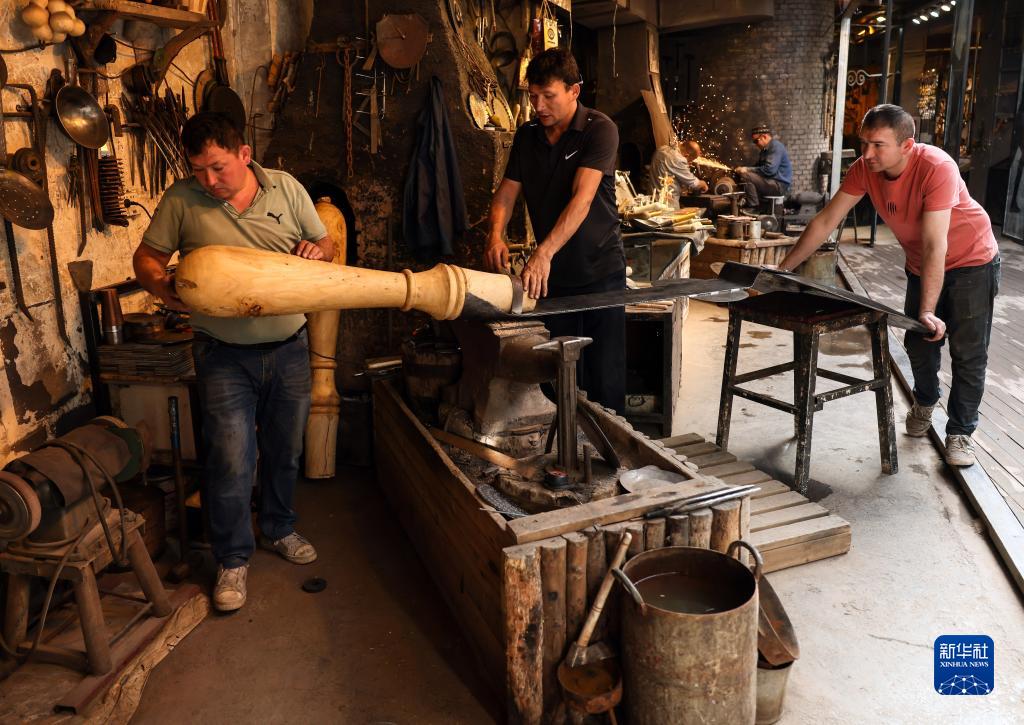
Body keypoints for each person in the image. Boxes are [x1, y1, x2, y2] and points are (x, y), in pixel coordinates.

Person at [133, 112, 337, 611]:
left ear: (245, 154)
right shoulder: (182, 199)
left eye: (218, 167)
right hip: (222, 355)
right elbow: (147, 258)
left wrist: (318, 250)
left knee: (285, 451)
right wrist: (162, 286)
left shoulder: (286, 189)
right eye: (198, 169)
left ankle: (278, 528)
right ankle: (232, 558)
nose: (208, 180)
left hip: (289, 347)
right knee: (230, 458)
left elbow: (327, 245)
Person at [777, 104, 999, 467]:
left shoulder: (936, 167)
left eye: (878, 145)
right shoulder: (865, 169)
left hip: (972, 260)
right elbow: (825, 221)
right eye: (864, 142)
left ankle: (960, 432)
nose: (867, 154)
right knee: (919, 343)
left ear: (907, 145)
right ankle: (925, 401)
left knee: (968, 352)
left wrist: (928, 308)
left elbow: (935, 244)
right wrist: (783, 269)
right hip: (922, 263)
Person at [485, 47, 626, 413]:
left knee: (604, 378)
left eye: (548, 96)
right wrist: (496, 235)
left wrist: (542, 253)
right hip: (552, 280)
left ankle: (611, 447)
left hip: (600, 273)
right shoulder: (527, 136)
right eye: (533, 96)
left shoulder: (599, 129)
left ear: (574, 90)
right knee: (555, 374)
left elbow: (582, 199)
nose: (539, 106)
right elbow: (506, 194)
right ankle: (560, 444)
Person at [736, 123, 792, 208]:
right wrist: (742, 169)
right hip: (772, 183)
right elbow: (758, 167)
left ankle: (753, 207)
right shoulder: (765, 150)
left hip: (779, 186)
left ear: (764, 137)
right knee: (744, 175)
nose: (756, 144)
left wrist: (747, 169)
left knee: (746, 176)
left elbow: (769, 170)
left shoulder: (776, 147)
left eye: (756, 141)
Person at [648, 138, 708, 204]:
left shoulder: (661, 149)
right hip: (667, 203)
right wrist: (704, 184)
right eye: (691, 160)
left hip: (652, 200)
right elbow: (694, 183)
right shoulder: (679, 159)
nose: (690, 162)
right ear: (686, 155)